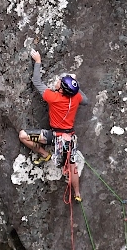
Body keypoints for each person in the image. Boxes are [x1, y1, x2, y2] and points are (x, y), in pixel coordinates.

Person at [18, 49, 90, 202]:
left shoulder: (54, 97)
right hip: (69, 139)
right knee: (72, 166)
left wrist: (38, 61)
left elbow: (37, 82)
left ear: (62, 89)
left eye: (60, 81)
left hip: (53, 136)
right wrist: (75, 85)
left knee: (23, 135)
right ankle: (77, 194)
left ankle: (45, 154)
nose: (57, 81)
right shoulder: (76, 97)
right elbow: (86, 100)